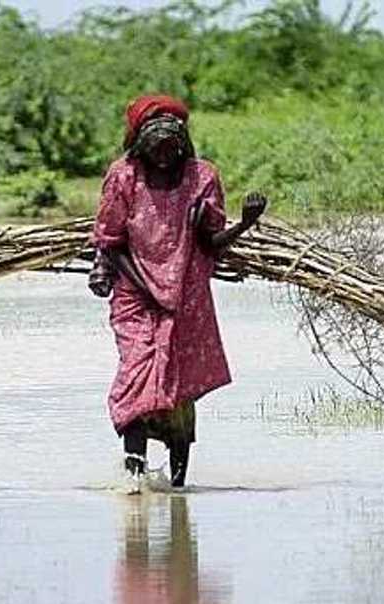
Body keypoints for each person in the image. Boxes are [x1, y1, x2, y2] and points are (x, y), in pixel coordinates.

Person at [88, 94, 267, 491]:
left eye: (173, 149)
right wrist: (149, 290)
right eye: (157, 150)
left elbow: (211, 240)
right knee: (137, 376)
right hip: (135, 296)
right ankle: (134, 475)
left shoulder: (203, 177)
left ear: (183, 144)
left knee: (179, 386)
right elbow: (111, 243)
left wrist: (245, 224)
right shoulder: (123, 177)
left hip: (187, 296)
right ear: (140, 146)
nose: (165, 157)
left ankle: (178, 487)